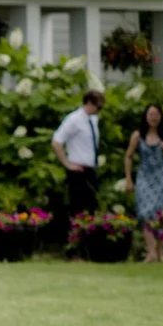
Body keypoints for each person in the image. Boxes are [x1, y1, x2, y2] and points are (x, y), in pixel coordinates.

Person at [124, 102, 163, 263]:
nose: (153, 118)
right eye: (150, 114)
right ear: (145, 117)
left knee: (162, 215)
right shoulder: (137, 135)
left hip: (162, 176)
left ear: (161, 117)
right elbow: (128, 156)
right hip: (144, 177)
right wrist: (129, 179)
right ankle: (151, 252)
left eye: (156, 115)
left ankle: (161, 252)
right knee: (145, 212)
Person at [52, 87, 104, 224]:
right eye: (98, 107)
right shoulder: (74, 119)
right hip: (77, 169)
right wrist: (67, 164)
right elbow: (57, 141)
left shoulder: (93, 119)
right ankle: (75, 238)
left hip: (90, 169)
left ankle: (88, 237)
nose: (99, 111)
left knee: (92, 206)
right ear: (89, 103)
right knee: (77, 207)